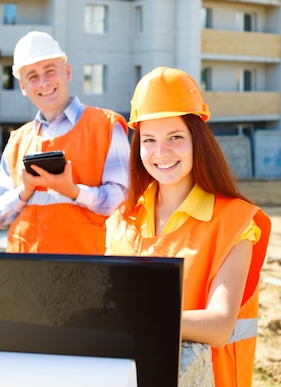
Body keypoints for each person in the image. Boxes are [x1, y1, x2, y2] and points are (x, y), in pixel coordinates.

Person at [105, 67, 271, 387]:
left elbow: (220, 325)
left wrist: (137, 320)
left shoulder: (235, 222)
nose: (161, 152)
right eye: (149, 140)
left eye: (175, 137)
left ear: (198, 141)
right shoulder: (120, 223)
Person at [0, 31, 130, 254]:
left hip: (85, 272)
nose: (43, 82)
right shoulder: (17, 141)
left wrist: (73, 191)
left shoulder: (105, 127)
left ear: (68, 72)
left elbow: (122, 202)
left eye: (50, 71)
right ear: (23, 87)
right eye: (32, 76)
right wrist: (24, 191)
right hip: (24, 273)